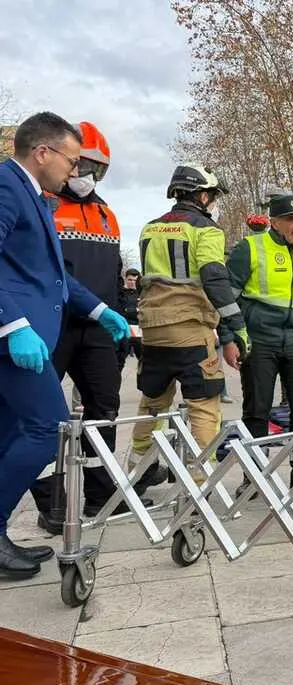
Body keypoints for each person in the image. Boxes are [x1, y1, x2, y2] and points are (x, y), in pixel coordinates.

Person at [0, 112, 130, 578]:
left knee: (8, 434)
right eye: (71, 161)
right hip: (17, 341)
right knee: (45, 428)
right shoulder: (7, 186)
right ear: (42, 152)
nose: (74, 171)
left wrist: (100, 310)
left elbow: (54, 278)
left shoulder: (37, 198)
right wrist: (12, 325)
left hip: (26, 338)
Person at [28, 121, 144, 531]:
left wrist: (121, 326)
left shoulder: (107, 214)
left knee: (104, 410)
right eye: (82, 163)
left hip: (96, 329)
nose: (85, 174)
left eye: (96, 167)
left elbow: (112, 272)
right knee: (41, 414)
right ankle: (51, 502)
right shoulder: (41, 207)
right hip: (50, 325)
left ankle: (99, 495)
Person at [129, 163, 248, 478]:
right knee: (204, 406)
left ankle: (136, 473)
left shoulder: (149, 228)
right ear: (203, 195)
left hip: (153, 330)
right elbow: (214, 277)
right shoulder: (206, 230)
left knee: (152, 404)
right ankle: (200, 480)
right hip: (190, 330)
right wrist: (237, 326)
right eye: (213, 195)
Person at [227, 192, 293, 491]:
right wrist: (229, 338)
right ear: (274, 222)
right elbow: (227, 299)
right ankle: (255, 479)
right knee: (257, 410)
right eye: (292, 219)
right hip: (259, 340)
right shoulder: (250, 248)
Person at [117, 268, 142, 370]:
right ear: (126, 279)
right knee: (119, 362)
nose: (132, 283)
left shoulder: (142, 294)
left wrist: (128, 310)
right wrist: (135, 310)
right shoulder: (120, 293)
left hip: (140, 333)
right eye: (130, 280)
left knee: (145, 363)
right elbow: (119, 310)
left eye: (135, 280)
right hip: (124, 331)